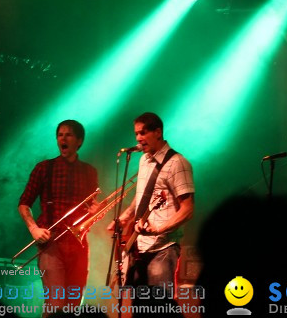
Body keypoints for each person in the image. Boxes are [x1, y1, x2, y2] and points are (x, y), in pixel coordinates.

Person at [109, 112, 195, 312]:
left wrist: (159, 228)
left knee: (158, 307)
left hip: (164, 248)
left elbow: (188, 209)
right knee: (140, 308)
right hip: (140, 247)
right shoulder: (144, 160)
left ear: (158, 132)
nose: (138, 138)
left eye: (143, 132)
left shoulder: (177, 163)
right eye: (136, 133)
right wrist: (124, 218)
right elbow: (142, 198)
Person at [17, 119, 100, 312]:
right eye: (60, 135)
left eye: (68, 135)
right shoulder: (44, 168)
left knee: (73, 307)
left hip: (79, 245)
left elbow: (91, 213)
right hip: (51, 243)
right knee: (56, 305)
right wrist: (33, 228)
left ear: (79, 141)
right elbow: (24, 203)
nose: (63, 138)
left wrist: (96, 214)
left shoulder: (89, 172)